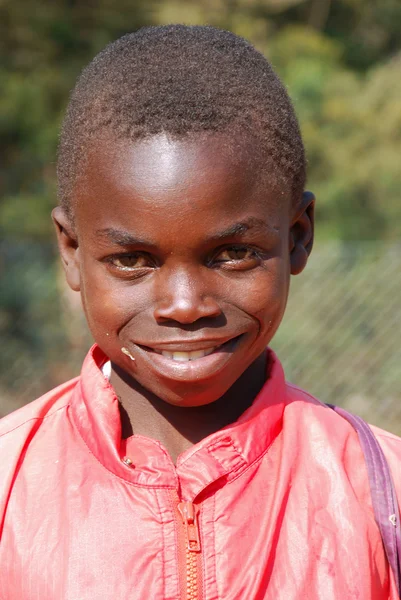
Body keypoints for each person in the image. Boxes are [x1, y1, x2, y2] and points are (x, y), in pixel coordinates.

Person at [0, 24, 400, 600]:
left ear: (298, 238)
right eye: (133, 260)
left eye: (233, 254)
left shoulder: (380, 495)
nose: (185, 305)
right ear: (72, 251)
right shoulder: (11, 489)